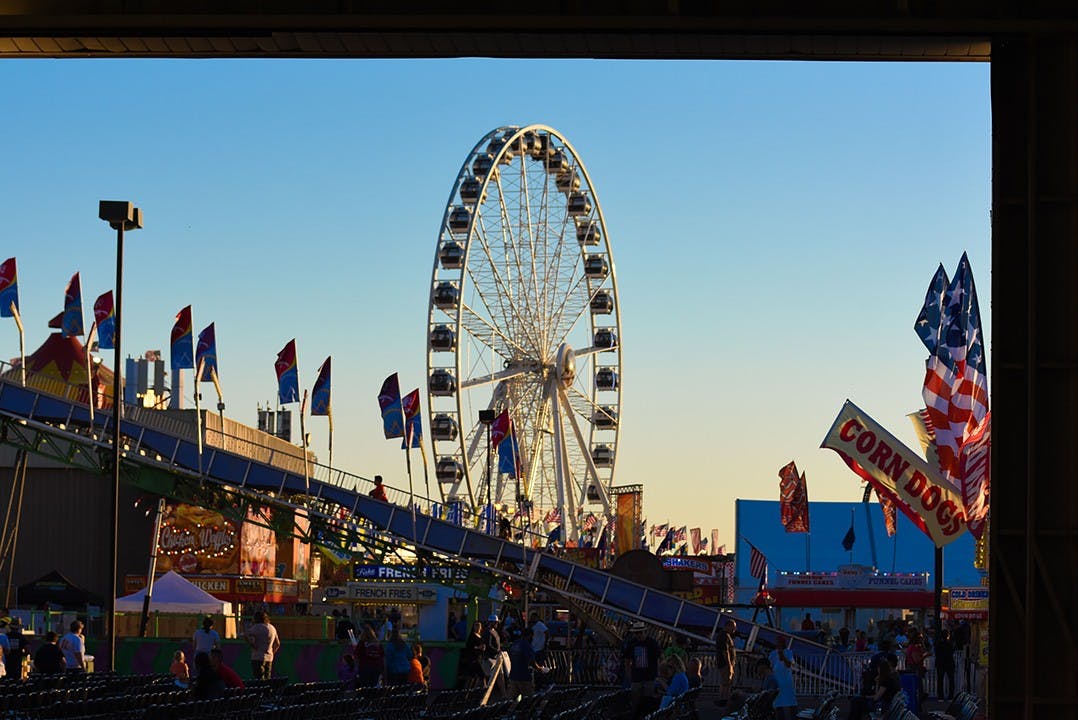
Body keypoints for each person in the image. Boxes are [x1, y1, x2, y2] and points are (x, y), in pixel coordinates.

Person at [622, 621, 661, 717]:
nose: (638, 635)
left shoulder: (652, 643)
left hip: (649, 677)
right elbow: (626, 659)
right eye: (636, 633)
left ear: (645, 632)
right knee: (636, 701)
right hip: (636, 677)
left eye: (640, 632)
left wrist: (657, 674)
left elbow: (659, 659)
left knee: (648, 701)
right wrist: (629, 674)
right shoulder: (632, 643)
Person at [244, 611, 281, 680]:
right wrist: (272, 652)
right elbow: (278, 643)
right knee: (267, 679)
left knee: (259, 679)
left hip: (258, 657)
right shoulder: (272, 628)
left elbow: (246, 634)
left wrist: (252, 645)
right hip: (269, 658)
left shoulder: (257, 627)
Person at [769, 636, 797, 720]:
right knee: (778, 703)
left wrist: (783, 656)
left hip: (787, 681)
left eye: (780, 642)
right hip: (777, 681)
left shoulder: (788, 652)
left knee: (791, 702)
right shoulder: (772, 653)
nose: (778, 644)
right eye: (777, 642)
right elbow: (770, 666)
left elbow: (789, 665)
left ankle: (794, 717)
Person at [507, 627, 538, 698]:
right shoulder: (526, 645)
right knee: (528, 700)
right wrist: (539, 668)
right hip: (524, 676)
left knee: (511, 700)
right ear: (529, 635)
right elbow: (531, 660)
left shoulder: (515, 643)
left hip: (513, 675)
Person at [714, 619, 737, 706]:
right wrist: (729, 665)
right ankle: (724, 699)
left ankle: (722, 699)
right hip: (725, 663)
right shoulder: (724, 636)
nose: (734, 630)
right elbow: (725, 651)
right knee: (726, 682)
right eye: (733, 628)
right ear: (728, 626)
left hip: (723, 662)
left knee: (724, 681)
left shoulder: (723, 635)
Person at [461, 620, 486, 688]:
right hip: (473, 659)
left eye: (478, 625)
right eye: (476, 625)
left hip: (479, 657)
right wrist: (478, 647)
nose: (477, 627)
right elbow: (469, 646)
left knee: (472, 677)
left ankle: (468, 693)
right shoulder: (472, 636)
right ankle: (484, 691)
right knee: (482, 675)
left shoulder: (480, 635)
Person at [935, 628, 956, 700]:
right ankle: (950, 696)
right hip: (949, 663)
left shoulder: (938, 644)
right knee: (951, 680)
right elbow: (952, 651)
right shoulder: (949, 644)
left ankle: (940, 696)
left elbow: (937, 653)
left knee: (940, 680)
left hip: (940, 663)